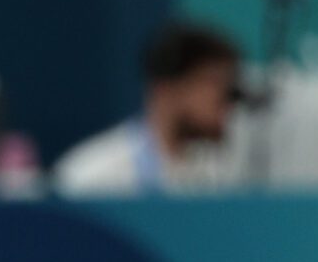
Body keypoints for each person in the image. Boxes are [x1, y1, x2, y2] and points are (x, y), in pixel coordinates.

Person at [53, 23, 244, 197]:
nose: (226, 98)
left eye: (229, 85)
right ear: (165, 89)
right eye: (214, 83)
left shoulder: (219, 175)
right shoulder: (92, 176)